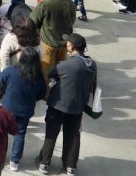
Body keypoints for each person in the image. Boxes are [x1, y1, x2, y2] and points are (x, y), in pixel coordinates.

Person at [37, 34, 97, 176]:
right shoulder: (92, 64)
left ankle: (44, 163)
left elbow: (51, 74)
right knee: (73, 136)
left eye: (67, 43)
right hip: (77, 107)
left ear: (72, 47)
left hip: (58, 106)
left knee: (51, 133)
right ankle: (70, 166)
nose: (66, 45)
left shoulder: (66, 65)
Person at [0, 46, 48, 172]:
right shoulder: (38, 77)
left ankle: (0, 156)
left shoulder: (11, 71)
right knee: (20, 134)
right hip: (26, 111)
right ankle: (15, 161)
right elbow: (42, 93)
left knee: (2, 133)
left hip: (7, 108)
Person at [31, 0, 76, 83]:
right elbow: (72, 20)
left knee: (45, 71)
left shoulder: (45, 4)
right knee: (60, 71)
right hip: (64, 44)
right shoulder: (69, 3)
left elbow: (32, 22)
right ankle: (59, 90)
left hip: (48, 44)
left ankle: (46, 94)